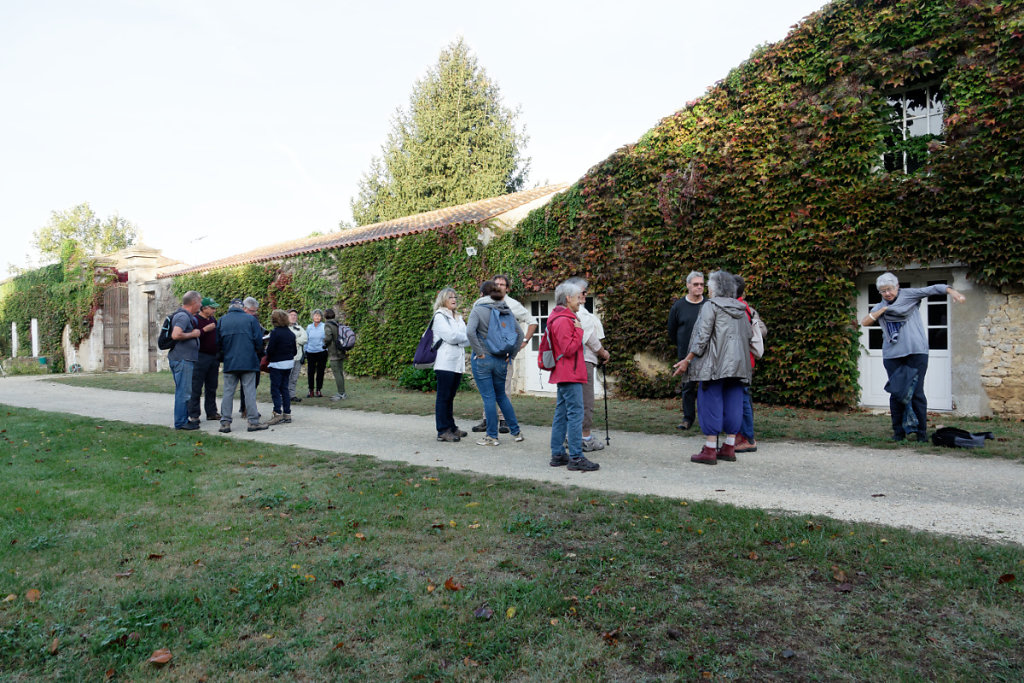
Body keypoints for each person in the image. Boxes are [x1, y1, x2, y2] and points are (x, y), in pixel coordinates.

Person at [861, 273, 966, 442]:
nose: (887, 293)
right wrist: (882, 310)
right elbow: (865, 322)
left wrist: (953, 292)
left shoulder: (909, 295)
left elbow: (934, 288)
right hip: (892, 355)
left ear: (897, 287)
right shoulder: (880, 306)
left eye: (889, 289)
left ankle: (921, 434)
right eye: (883, 291)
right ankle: (899, 432)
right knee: (897, 394)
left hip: (917, 352)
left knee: (917, 393)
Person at [673, 270, 752, 465]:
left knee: (710, 402)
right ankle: (729, 446)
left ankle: (709, 449)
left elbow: (702, 337)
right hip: (738, 366)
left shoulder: (711, 306)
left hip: (714, 365)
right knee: (734, 401)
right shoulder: (741, 309)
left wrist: (687, 359)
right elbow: (749, 336)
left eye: (709, 284)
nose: (706, 287)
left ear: (715, 288)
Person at [470, 274, 538, 434]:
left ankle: (503, 421)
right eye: (496, 284)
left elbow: (533, 321)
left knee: (504, 388)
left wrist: (524, 342)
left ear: (507, 288)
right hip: (486, 353)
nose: (499, 286)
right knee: (488, 390)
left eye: (502, 284)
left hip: (503, 354)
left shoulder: (512, 305)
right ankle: (487, 420)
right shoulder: (481, 304)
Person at [547, 280, 600, 471]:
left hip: (566, 373)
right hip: (570, 373)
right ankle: (576, 457)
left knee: (561, 414)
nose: (580, 301)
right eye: (578, 297)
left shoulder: (563, 317)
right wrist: (579, 331)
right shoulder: (563, 320)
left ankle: (558, 454)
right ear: (568, 298)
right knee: (575, 414)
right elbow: (568, 349)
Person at [467, 280, 524, 446]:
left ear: (482, 294)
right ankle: (516, 432)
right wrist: (511, 355)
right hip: (501, 359)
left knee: (488, 398)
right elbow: (519, 335)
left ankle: (492, 436)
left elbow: (470, 332)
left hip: (483, 359)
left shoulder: (478, 309)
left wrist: (479, 353)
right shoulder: (505, 309)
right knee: (501, 396)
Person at [565, 277, 610, 452]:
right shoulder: (579, 314)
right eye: (583, 292)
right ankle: (584, 437)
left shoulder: (566, 311)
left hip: (572, 362)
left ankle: (571, 436)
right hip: (583, 361)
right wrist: (604, 353)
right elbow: (591, 339)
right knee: (586, 400)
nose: (585, 295)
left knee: (572, 401)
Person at [217, 298, 268, 433]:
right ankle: (253, 422)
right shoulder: (251, 320)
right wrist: (257, 352)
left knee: (228, 392)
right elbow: (258, 341)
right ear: (242, 308)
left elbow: (218, 343)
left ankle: (225, 422)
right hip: (248, 361)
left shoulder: (222, 320)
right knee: (249, 392)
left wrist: (224, 356)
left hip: (230, 361)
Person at [667, 271, 706, 430]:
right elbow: (672, 330)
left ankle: (707, 419)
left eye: (702, 285)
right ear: (688, 285)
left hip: (706, 353)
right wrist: (682, 348)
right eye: (696, 284)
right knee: (688, 387)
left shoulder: (709, 305)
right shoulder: (679, 306)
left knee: (707, 387)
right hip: (685, 354)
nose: (699, 287)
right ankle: (687, 418)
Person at [431, 287, 470, 442]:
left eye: (455, 297)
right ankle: (442, 430)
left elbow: (468, 337)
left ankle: (451, 427)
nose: (454, 300)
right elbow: (451, 336)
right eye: (450, 297)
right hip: (445, 363)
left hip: (457, 363)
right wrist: (461, 337)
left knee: (450, 396)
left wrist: (461, 337)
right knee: (443, 397)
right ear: (443, 300)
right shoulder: (439, 316)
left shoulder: (458, 317)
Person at [734, 275, 767, 453]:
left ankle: (748, 438)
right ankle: (741, 434)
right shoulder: (743, 307)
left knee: (743, 399)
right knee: (739, 398)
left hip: (742, 361)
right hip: (744, 360)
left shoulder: (741, 308)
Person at [168, 290, 210, 430]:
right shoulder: (183, 317)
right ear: (194, 302)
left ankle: (183, 419)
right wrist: (194, 334)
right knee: (183, 392)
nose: (201, 305)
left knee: (184, 391)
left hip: (182, 358)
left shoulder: (184, 315)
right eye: (199, 302)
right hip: (183, 359)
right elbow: (176, 335)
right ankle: (181, 422)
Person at [186, 297, 221, 426]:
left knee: (212, 386)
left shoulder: (212, 319)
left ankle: (211, 412)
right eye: (212, 308)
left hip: (213, 357)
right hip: (200, 356)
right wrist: (205, 330)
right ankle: (194, 414)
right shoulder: (195, 320)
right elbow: (191, 335)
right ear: (204, 308)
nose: (214, 310)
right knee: (196, 386)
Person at [264, 309, 297, 425]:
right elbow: (294, 350)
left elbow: (271, 350)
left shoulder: (275, 333)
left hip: (277, 363)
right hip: (288, 363)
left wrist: (268, 355)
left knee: (275, 389)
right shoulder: (291, 333)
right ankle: (287, 413)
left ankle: (277, 412)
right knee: (285, 388)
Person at [322, 308, 348, 401]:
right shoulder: (337, 323)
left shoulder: (328, 325)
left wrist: (324, 342)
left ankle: (341, 393)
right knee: (340, 373)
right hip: (341, 350)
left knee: (337, 373)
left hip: (334, 352)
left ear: (325, 316)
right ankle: (343, 393)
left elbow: (328, 337)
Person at [304, 309, 328, 398]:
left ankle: (318, 390)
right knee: (310, 372)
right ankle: (311, 390)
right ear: (312, 317)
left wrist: (327, 350)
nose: (317, 317)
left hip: (321, 352)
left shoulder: (324, 326)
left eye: (318, 315)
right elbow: (306, 339)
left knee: (320, 372)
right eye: (315, 315)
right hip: (310, 352)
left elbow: (328, 339)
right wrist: (305, 351)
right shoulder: (309, 327)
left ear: (321, 317)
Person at [286, 309, 307, 403]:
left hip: (298, 357)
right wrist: (296, 339)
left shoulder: (300, 327)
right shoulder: (284, 328)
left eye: (295, 315)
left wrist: (296, 340)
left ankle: (292, 395)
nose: (293, 317)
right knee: (286, 377)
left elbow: (305, 338)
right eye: (291, 315)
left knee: (294, 378)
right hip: (287, 357)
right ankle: (284, 395)